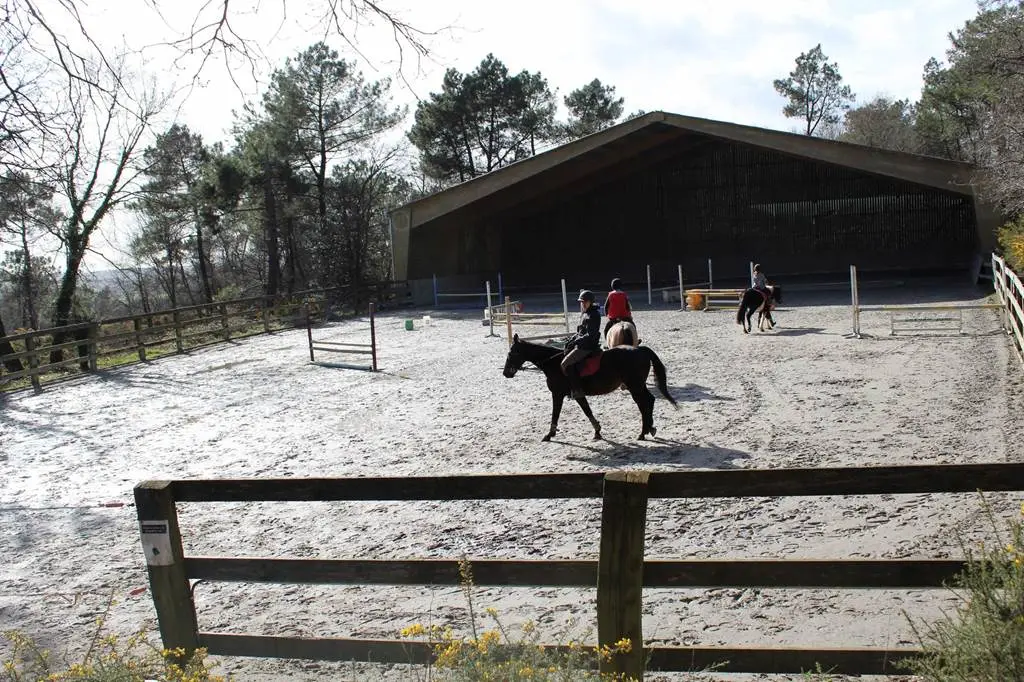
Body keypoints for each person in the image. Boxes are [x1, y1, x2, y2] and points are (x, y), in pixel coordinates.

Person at [561, 289, 602, 400]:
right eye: (581, 302)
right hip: (582, 343)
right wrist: (572, 339)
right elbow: (580, 332)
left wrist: (576, 341)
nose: (582, 304)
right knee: (564, 352)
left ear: (590, 302)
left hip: (588, 346)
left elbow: (590, 334)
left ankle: (577, 390)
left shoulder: (594, 315)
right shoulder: (585, 314)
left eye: (584, 302)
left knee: (565, 364)